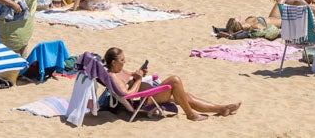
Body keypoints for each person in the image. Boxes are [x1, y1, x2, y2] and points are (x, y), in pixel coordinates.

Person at [101, 46, 240, 121]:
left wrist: (139, 73)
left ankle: (222, 108)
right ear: (113, 62)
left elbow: (131, 76)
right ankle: (190, 114)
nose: (124, 62)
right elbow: (127, 95)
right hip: (146, 99)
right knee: (175, 80)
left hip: (149, 94)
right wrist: (138, 80)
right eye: (122, 60)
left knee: (186, 96)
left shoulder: (119, 69)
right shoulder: (113, 76)